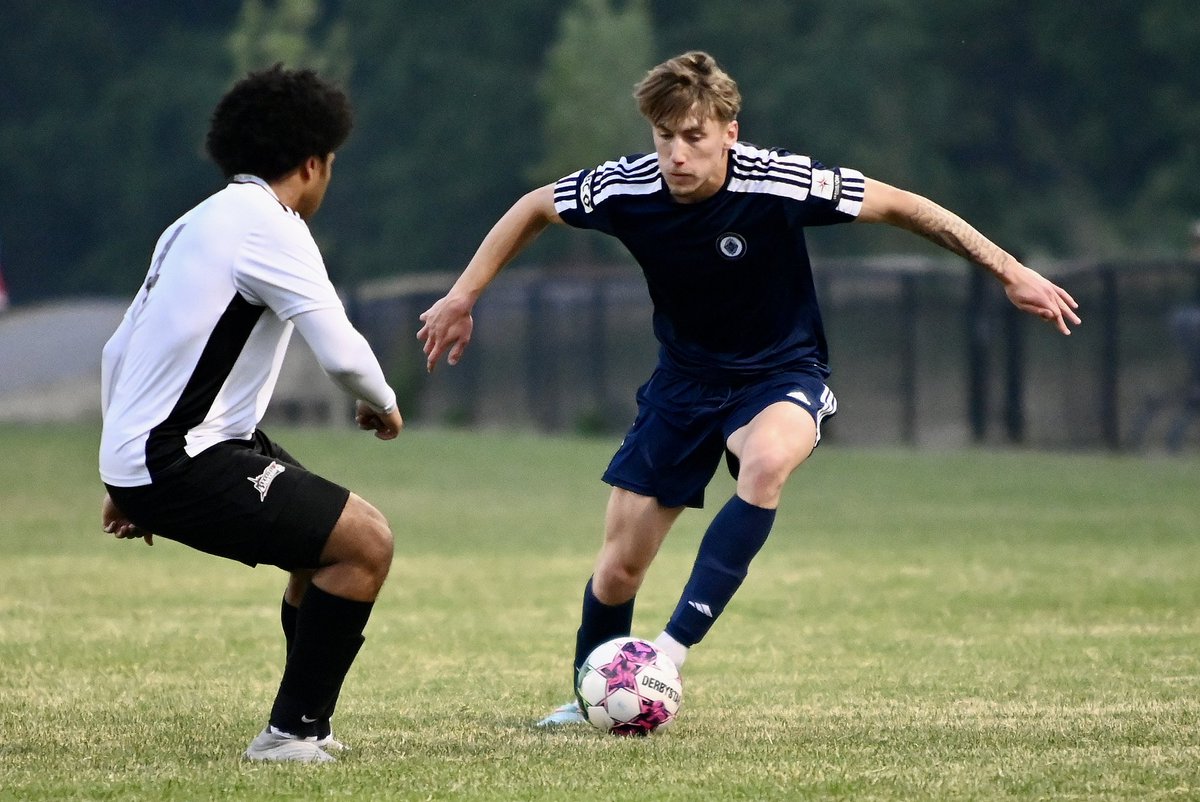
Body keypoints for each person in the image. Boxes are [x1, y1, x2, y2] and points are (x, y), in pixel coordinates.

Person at [417, 51, 1081, 726]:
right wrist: (462, 295)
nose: (676, 155)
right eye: (664, 137)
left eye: (693, 137)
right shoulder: (626, 189)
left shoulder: (780, 182)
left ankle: (666, 657)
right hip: (682, 384)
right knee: (619, 568)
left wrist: (1008, 269)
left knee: (765, 462)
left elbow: (903, 206)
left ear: (729, 131)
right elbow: (535, 205)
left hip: (780, 373)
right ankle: (591, 697)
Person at [98, 64, 403, 762]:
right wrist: (383, 403)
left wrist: (119, 475)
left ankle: (304, 725)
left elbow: (118, 352)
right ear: (312, 164)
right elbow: (343, 350)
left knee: (323, 545)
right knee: (365, 543)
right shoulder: (273, 227)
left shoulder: (190, 224)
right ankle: (289, 734)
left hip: (158, 449)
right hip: (181, 453)